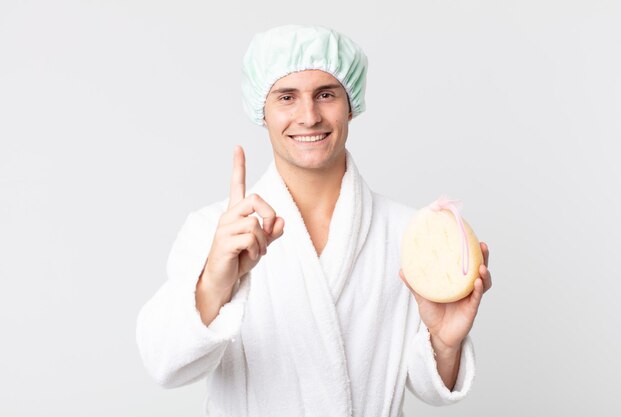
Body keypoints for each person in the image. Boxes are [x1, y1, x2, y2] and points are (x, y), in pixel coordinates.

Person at [136, 24, 493, 417]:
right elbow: (164, 364)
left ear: (351, 103)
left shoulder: (410, 234)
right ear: (262, 109)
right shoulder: (212, 232)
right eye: (286, 97)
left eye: (326, 94)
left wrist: (444, 343)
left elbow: (429, 386)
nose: (308, 116)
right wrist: (214, 285)